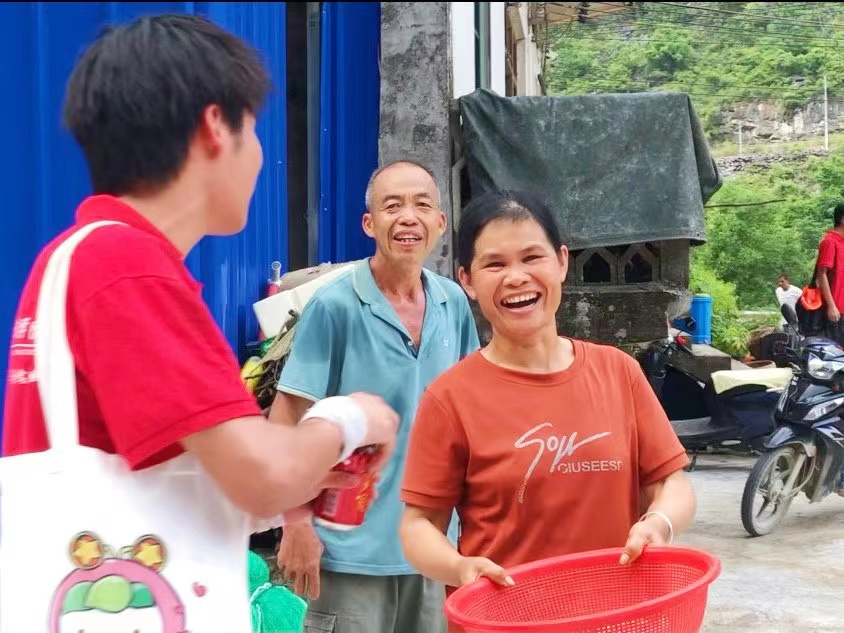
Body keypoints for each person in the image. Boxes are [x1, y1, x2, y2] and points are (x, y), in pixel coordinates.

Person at [2, 12, 398, 623]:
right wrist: (351, 416)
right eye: (257, 129)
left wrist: (295, 489)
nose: (263, 156)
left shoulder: (77, 259)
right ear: (216, 125)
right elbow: (259, 475)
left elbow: (176, 471)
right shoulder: (127, 266)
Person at [399, 190, 697, 597]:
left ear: (561, 261)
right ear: (467, 280)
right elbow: (418, 525)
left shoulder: (618, 372)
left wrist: (659, 524)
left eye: (531, 257)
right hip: (506, 620)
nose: (516, 276)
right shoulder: (450, 398)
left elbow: (671, 483)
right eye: (495, 264)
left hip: (616, 616)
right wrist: (459, 567)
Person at [268, 160, 481, 633]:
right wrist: (296, 525)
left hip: (431, 550)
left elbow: (472, 421)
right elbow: (285, 421)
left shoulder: (453, 305)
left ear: (441, 223)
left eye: (423, 205)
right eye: (393, 206)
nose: (409, 217)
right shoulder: (333, 307)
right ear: (370, 224)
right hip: (348, 554)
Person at [817, 203, 844, 344]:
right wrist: (832, 306)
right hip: (837, 311)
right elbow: (821, 274)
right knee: (838, 355)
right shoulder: (829, 242)